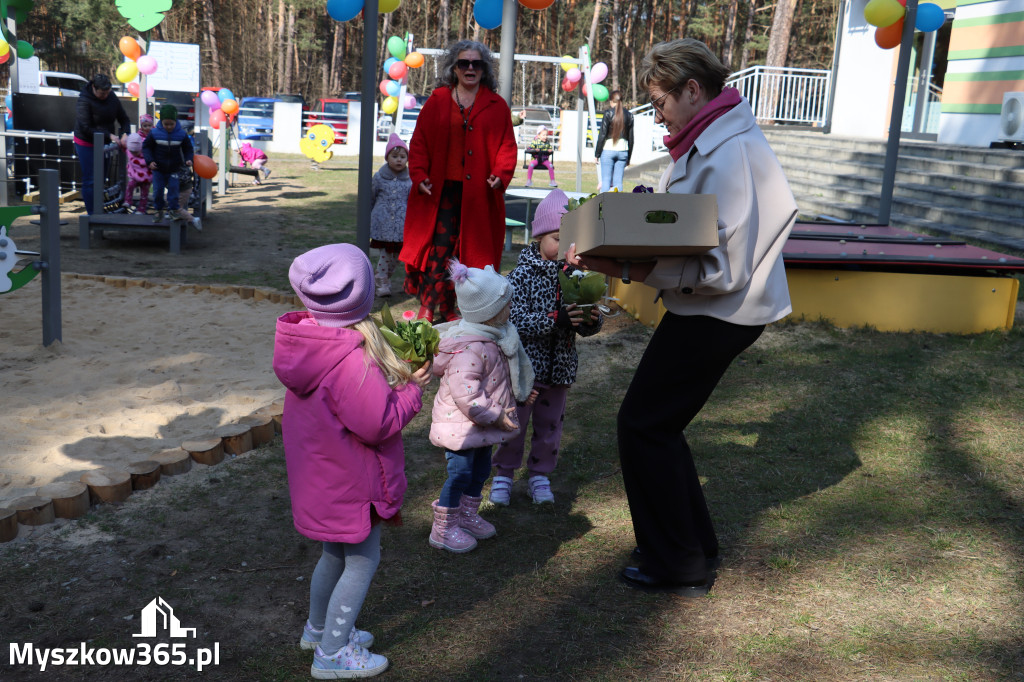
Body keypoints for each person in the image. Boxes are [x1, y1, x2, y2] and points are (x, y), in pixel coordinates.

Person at [567, 38, 797, 596]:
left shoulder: (729, 150)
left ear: (693, 89)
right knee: (658, 424)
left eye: (663, 100)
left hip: (724, 310)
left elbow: (722, 265)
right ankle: (691, 546)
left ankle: (678, 563)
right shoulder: (715, 137)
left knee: (644, 425)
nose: (659, 113)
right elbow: (689, 228)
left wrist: (630, 265)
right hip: (716, 308)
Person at [273, 243, 431, 678]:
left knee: (334, 556)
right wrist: (412, 390)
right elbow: (378, 424)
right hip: (349, 487)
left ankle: (318, 628)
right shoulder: (350, 361)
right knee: (362, 560)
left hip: (321, 482)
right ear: (360, 298)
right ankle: (332, 654)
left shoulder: (309, 343)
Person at [490, 189, 602, 506]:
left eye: (570, 240)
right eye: (556, 238)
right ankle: (503, 474)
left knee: (550, 427)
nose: (564, 247)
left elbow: (592, 319)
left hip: (560, 368)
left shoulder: (579, 276)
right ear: (539, 236)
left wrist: (588, 321)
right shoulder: (521, 276)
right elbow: (513, 321)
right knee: (515, 423)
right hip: (525, 371)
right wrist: (555, 319)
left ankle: (540, 475)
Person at [399, 39, 518, 323]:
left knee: (465, 256)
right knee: (437, 251)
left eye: (476, 63)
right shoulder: (438, 101)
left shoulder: (497, 105)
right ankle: (428, 306)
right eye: (464, 63)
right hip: (440, 194)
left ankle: (453, 308)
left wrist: (500, 175)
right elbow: (418, 145)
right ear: (454, 68)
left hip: (478, 196)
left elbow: (507, 148)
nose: (470, 68)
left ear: (484, 69)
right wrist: (420, 176)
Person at [427, 260, 535, 553]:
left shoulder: (493, 337)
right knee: (460, 473)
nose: (511, 309)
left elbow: (498, 379)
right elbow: (468, 396)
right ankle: (444, 527)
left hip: (481, 424)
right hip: (462, 426)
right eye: (507, 305)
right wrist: (497, 415)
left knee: (480, 470)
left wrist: (520, 394)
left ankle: (466, 515)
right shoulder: (471, 347)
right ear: (489, 313)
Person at [74, 74, 131, 214]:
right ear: (94, 88)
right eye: (102, 93)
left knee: (101, 178)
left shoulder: (111, 97)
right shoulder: (84, 100)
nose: (105, 95)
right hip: (86, 142)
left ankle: (100, 209)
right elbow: (86, 127)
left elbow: (124, 118)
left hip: (104, 144)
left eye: (107, 92)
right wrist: (110, 135)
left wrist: (124, 134)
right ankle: (92, 214)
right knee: (90, 179)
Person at [370, 134, 411, 297]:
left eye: (402, 157)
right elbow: (371, 197)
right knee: (386, 253)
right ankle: (381, 280)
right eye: (395, 156)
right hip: (383, 223)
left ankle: (382, 278)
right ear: (388, 158)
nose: (399, 160)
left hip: (401, 225)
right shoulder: (379, 177)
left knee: (397, 256)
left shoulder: (409, 180)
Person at [143, 105, 194, 224]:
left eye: (172, 124)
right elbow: (146, 147)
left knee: (174, 190)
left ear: (176, 121)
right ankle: (158, 210)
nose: (169, 127)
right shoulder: (154, 133)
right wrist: (150, 161)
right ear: (161, 121)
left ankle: (172, 210)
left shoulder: (181, 134)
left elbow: (188, 148)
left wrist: (188, 159)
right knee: (158, 191)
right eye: (166, 124)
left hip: (174, 168)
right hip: (159, 168)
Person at [594, 90, 634, 192]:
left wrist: (597, 154)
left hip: (608, 150)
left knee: (606, 181)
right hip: (623, 151)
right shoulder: (630, 115)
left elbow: (602, 135)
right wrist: (628, 157)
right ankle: (617, 206)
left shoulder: (608, 113)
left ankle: (603, 206)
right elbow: (631, 139)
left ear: (612, 101)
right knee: (618, 182)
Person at [122, 114, 153, 214]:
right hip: (136, 169)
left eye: (149, 125)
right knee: (130, 185)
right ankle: (128, 200)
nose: (147, 128)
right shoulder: (137, 137)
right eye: (145, 126)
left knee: (145, 192)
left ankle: (142, 209)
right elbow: (130, 146)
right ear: (141, 126)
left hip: (147, 170)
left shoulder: (154, 136)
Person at [173, 123, 202, 231]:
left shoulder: (181, 155)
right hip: (184, 185)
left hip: (184, 186)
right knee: (175, 205)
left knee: (176, 207)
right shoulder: (184, 145)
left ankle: (193, 220)